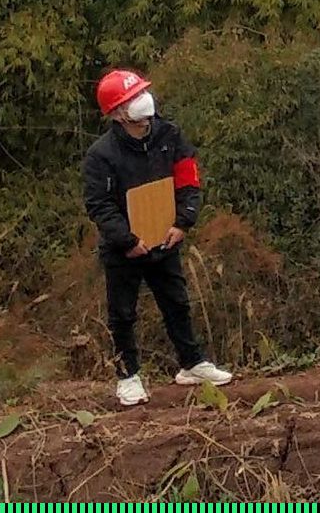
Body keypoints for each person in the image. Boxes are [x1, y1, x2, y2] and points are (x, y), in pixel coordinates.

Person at [78, 68, 231, 407]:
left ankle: (192, 363)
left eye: (140, 94)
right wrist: (127, 241)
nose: (140, 101)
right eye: (130, 99)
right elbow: (99, 206)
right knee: (123, 314)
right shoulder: (100, 155)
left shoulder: (169, 135)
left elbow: (188, 177)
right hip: (125, 250)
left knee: (177, 302)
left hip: (166, 239)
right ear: (117, 113)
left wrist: (183, 222)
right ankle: (128, 376)